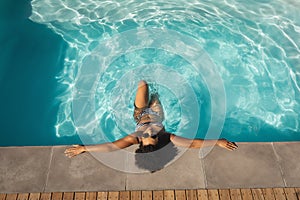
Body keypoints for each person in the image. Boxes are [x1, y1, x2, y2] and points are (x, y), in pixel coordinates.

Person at [65, 80, 238, 171]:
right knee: (154, 92)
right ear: (158, 140)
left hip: (140, 113)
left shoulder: (134, 138)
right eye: (152, 136)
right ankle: (155, 89)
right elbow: (193, 144)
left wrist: (84, 148)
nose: (148, 133)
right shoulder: (167, 136)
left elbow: (111, 147)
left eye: (145, 137)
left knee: (142, 84)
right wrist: (217, 141)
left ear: (140, 142)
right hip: (157, 113)